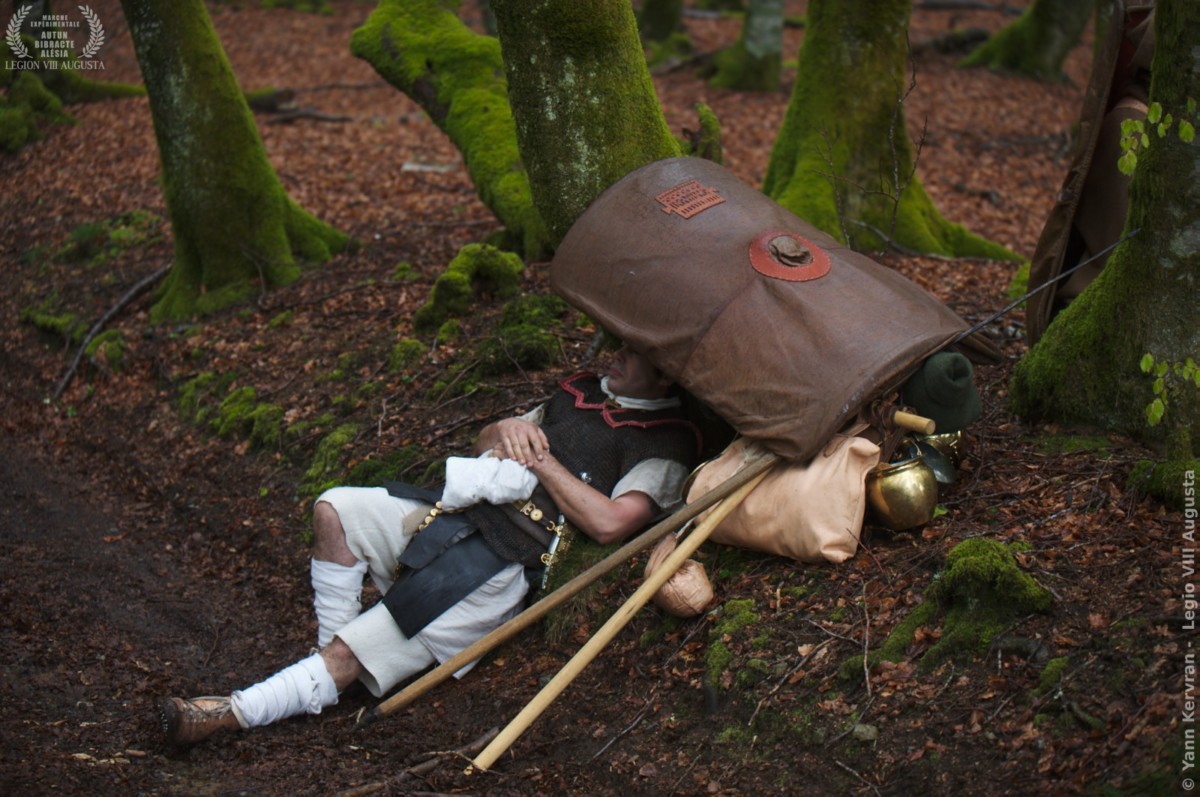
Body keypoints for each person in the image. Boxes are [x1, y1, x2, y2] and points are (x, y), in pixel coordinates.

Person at [161, 346, 702, 746]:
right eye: (620, 342)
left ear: (666, 373)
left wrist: (541, 461)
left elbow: (610, 523)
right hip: (454, 514)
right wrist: (505, 428)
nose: (616, 353)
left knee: (349, 654)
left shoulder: (666, 441)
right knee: (334, 510)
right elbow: (484, 442)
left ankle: (232, 711)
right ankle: (324, 671)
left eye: (634, 352)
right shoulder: (578, 391)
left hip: (502, 566)